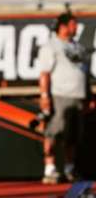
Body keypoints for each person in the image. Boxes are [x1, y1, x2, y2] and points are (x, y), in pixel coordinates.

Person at [38, 12, 94, 184]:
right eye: (72, 24)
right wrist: (45, 95)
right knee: (54, 131)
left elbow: (83, 73)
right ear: (62, 27)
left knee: (73, 135)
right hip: (60, 95)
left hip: (77, 96)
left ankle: (69, 168)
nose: (76, 27)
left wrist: (88, 95)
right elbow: (45, 73)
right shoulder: (51, 46)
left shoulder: (77, 46)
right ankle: (50, 168)